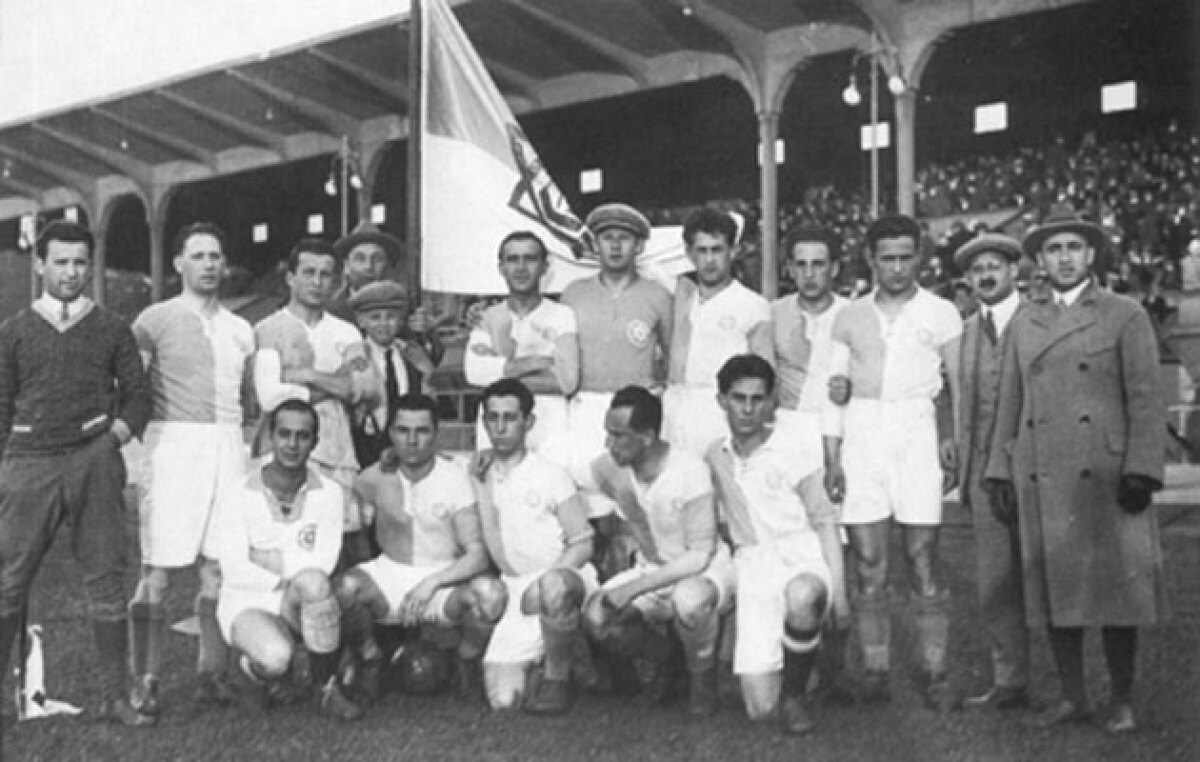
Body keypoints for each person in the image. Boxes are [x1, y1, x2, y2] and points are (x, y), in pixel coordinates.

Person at [985, 204, 1166, 733]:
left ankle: (1122, 698)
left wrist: (1142, 469)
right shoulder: (1025, 322)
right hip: (1043, 471)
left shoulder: (1125, 314)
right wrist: (1000, 470)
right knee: (1054, 589)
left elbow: (1146, 398)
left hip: (1107, 475)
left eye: (1074, 248)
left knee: (1115, 592)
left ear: (1091, 255)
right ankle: (1073, 696)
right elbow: (1009, 402)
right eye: (1054, 249)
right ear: (1040, 260)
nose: (1064, 258)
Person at [0, 220, 153, 726]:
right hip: (29, 462)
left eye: (80, 262)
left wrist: (112, 439)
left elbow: (138, 396)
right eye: (61, 262)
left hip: (93, 460)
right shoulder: (14, 330)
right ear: (40, 264)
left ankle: (116, 698)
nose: (70, 272)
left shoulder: (111, 327)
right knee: (8, 581)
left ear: (91, 266)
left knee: (106, 577)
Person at [822, 214, 963, 710]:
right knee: (868, 561)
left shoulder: (942, 312)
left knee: (922, 555)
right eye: (888, 258)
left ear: (919, 257)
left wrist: (953, 438)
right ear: (871, 259)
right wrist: (832, 457)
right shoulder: (849, 316)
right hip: (862, 433)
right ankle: (877, 670)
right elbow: (834, 393)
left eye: (906, 257)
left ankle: (937, 671)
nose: (897, 268)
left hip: (917, 431)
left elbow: (958, 385)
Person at [127, 222, 255, 716]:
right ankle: (145, 680)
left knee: (218, 568)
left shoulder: (241, 329)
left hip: (229, 445)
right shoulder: (154, 319)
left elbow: (248, 401)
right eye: (198, 255)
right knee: (158, 570)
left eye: (215, 256)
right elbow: (131, 390)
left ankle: (211, 674)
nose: (208, 264)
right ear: (179, 263)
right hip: (174, 446)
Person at [583, 386, 735, 715]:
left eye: (618, 436)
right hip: (655, 568)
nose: (609, 444)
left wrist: (633, 588)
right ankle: (669, 661)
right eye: (608, 433)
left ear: (648, 436)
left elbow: (698, 555)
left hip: (705, 569)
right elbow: (571, 477)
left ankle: (702, 676)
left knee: (690, 601)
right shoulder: (608, 468)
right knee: (597, 618)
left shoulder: (689, 470)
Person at [335, 394, 494, 703]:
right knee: (344, 587)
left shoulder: (456, 477)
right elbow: (356, 533)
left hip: (442, 579)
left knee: (490, 594)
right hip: (392, 574)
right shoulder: (372, 477)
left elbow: (477, 553)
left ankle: (466, 662)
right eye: (403, 430)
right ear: (390, 432)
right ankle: (370, 658)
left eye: (421, 431)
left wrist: (432, 583)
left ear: (436, 433)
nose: (411, 440)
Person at [706, 355, 832, 734]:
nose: (748, 409)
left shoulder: (793, 449)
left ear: (771, 401)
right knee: (761, 708)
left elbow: (825, 521)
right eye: (738, 398)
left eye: (757, 399)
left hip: (801, 556)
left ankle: (795, 696)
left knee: (802, 595)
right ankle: (805, 658)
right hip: (755, 566)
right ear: (721, 400)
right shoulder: (715, 454)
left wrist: (839, 595)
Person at [216, 398, 362, 721]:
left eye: (302, 436)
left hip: (301, 595)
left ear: (315, 441)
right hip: (247, 599)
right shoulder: (237, 492)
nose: (292, 445)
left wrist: (270, 560)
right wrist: (286, 573)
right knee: (275, 657)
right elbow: (234, 568)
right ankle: (251, 671)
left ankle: (326, 688)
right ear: (271, 436)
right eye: (284, 434)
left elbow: (324, 560)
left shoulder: (330, 492)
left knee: (315, 582)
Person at [472, 378, 596, 714]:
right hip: (515, 588)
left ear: (528, 422)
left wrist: (544, 582)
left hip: (561, 578)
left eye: (510, 418)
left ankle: (557, 678)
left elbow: (583, 543)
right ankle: (569, 650)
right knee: (504, 701)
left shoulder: (551, 474)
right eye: (492, 418)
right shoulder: (478, 472)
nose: (500, 427)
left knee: (553, 587)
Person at [768, 227, 852, 699]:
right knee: (790, 543)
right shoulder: (774, 314)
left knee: (839, 546)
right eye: (800, 264)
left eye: (819, 263)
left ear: (834, 268)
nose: (810, 273)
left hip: (840, 438)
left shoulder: (853, 314)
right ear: (789, 269)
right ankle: (791, 656)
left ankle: (836, 668)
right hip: (787, 435)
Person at [952, 233, 1032, 711]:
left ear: (1014, 271)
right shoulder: (965, 331)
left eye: (994, 267)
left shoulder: (1039, 319)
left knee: (1050, 577)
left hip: (1036, 471)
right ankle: (1010, 678)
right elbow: (954, 398)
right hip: (984, 474)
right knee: (996, 581)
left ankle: (1070, 687)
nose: (985, 276)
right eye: (977, 269)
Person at [253, 238, 371, 555]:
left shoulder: (346, 332)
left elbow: (359, 388)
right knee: (284, 542)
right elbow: (270, 397)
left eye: (325, 274)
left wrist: (304, 374)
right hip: (283, 450)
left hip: (337, 450)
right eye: (308, 272)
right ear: (290, 277)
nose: (317, 282)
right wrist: (335, 383)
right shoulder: (267, 329)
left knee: (337, 543)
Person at [560, 203, 673, 522]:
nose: (615, 245)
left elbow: (672, 355)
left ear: (639, 246)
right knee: (587, 493)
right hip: (585, 406)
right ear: (595, 245)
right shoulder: (573, 294)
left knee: (635, 497)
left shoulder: (658, 296)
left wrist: (656, 394)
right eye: (607, 237)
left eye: (624, 238)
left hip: (634, 412)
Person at [662, 207, 773, 456]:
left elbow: (766, 377)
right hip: (676, 412)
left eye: (717, 250)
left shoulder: (753, 305)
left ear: (733, 251)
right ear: (689, 254)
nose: (710, 260)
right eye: (702, 251)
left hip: (722, 415)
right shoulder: (680, 299)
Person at [464, 231, 579, 460]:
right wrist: (537, 363)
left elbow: (566, 381)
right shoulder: (488, 316)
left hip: (549, 426)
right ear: (501, 268)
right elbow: (475, 372)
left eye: (530, 258)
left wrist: (500, 373)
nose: (521, 267)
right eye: (512, 259)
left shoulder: (562, 315)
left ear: (545, 267)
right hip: (498, 423)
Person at [328, 221, 443, 366]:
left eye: (377, 259)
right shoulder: (330, 313)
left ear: (387, 266)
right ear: (346, 266)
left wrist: (428, 333)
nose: (368, 266)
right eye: (360, 259)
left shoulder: (405, 309)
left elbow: (430, 361)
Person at [347, 281, 436, 469]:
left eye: (391, 317)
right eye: (375, 318)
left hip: (408, 450)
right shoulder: (355, 356)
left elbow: (428, 395)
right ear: (361, 321)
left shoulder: (411, 354)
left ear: (401, 320)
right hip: (366, 451)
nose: (384, 324)